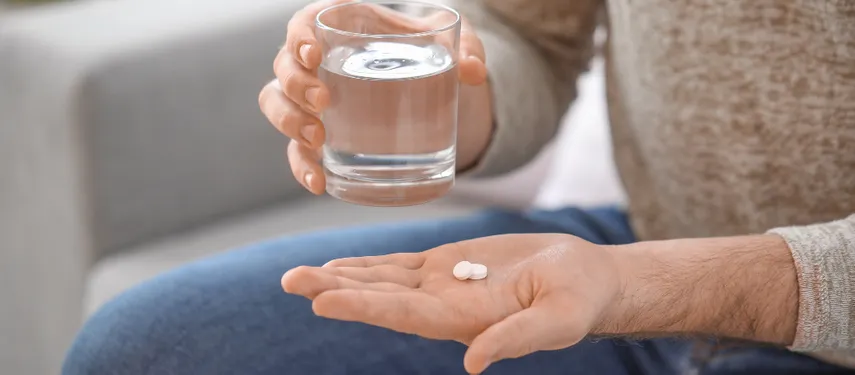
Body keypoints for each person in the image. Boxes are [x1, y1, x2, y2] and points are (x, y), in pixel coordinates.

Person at [62, 0, 855, 374]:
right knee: (147, 349)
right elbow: (532, 36)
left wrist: (640, 286)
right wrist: (452, 95)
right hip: (632, 256)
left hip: (814, 319)